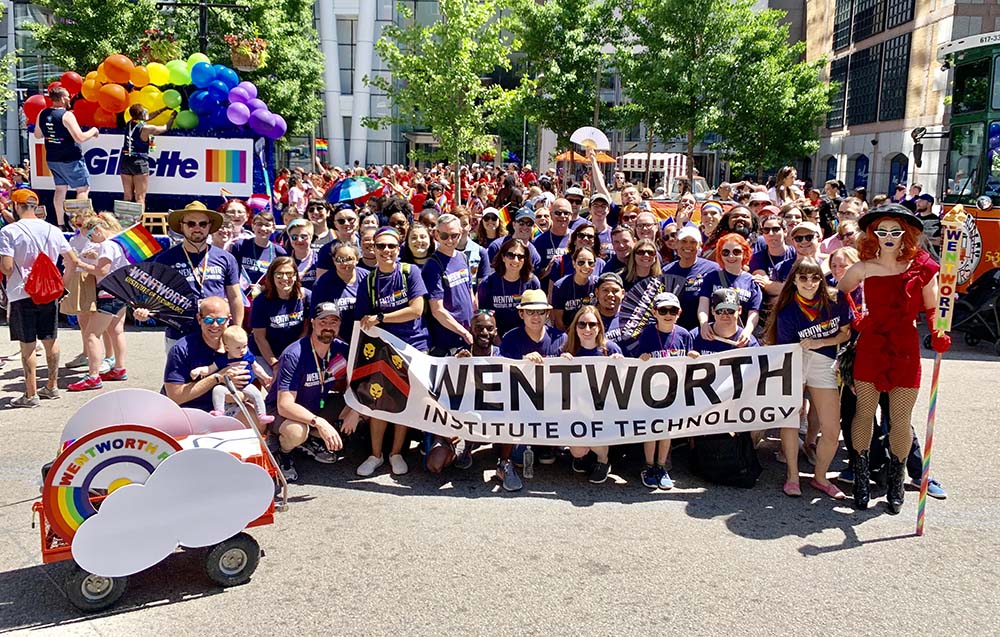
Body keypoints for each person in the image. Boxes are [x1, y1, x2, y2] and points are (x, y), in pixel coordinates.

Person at [838, 203, 950, 514]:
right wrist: (857, 315)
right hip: (872, 343)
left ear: (906, 235)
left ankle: (897, 479)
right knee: (864, 412)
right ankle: (861, 477)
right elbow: (841, 290)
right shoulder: (863, 267)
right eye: (882, 231)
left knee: (901, 419)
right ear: (873, 234)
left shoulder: (922, 266)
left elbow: (933, 306)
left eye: (895, 231)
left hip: (905, 346)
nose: (888, 237)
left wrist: (939, 332)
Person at [765, 257, 852, 499]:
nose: (809, 282)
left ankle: (820, 477)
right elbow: (787, 349)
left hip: (824, 363)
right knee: (792, 418)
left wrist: (821, 342)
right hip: (796, 361)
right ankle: (792, 475)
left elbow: (845, 333)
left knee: (832, 428)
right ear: (793, 280)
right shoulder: (787, 310)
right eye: (803, 277)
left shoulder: (836, 299)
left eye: (815, 277)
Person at [355, 227, 429, 477]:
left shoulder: (411, 272)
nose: (386, 251)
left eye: (391, 246)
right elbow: (364, 319)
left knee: (403, 401)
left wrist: (382, 317)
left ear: (399, 249)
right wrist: (376, 320)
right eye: (381, 246)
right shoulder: (368, 280)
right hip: (382, 349)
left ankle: (396, 452)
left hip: (412, 346)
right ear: (372, 249)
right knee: (379, 402)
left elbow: (417, 309)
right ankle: (375, 455)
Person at [0, 189, 81, 407]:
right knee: (50, 339)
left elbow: (7, 268)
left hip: (21, 292)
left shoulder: (9, 231)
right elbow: (73, 260)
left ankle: (30, 394)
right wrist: (62, 283)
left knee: (27, 344)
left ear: (16, 207)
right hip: (49, 292)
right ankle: (52, 386)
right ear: (35, 206)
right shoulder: (53, 230)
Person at [139, 202, 242, 351]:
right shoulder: (166, 259)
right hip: (178, 333)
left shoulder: (226, 258)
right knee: (179, 375)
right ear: (182, 226)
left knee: (219, 373)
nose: (197, 228)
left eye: (203, 224)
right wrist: (144, 311)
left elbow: (235, 297)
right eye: (191, 224)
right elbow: (152, 295)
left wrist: (236, 329)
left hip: (217, 332)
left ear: (209, 226)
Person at [266, 302, 352, 482]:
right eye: (323, 322)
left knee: (356, 407)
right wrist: (319, 423)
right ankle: (284, 453)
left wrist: (356, 412)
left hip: (316, 404)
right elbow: (284, 405)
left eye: (333, 322)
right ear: (312, 322)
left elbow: (362, 379)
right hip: (283, 412)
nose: (328, 327)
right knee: (297, 431)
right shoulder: (294, 354)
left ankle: (310, 440)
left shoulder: (341, 349)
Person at [631, 292, 697, 489]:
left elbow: (690, 362)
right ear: (654, 312)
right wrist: (642, 358)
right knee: (652, 430)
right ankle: (649, 466)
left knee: (666, 431)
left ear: (679, 313)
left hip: (674, 392)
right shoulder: (649, 333)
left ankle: (661, 466)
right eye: (663, 310)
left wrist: (694, 356)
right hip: (651, 391)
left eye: (673, 310)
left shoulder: (684, 334)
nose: (668, 314)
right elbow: (640, 359)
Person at [498, 289, 567, 466]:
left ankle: (547, 445)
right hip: (522, 403)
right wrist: (522, 361)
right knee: (519, 460)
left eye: (540, 312)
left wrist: (568, 361)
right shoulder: (510, 338)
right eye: (530, 312)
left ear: (547, 314)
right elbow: (501, 371)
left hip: (553, 402)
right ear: (521, 314)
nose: (536, 317)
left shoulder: (561, 338)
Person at [163, 296, 255, 422]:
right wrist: (217, 378)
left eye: (220, 320)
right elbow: (175, 396)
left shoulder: (238, 346)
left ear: (229, 319)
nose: (215, 325)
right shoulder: (181, 349)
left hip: (224, 406)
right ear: (199, 319)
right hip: (188, 409)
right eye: (208, 320)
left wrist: (239, 396)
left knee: (257, 421)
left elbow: (249, 386)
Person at [67, 215, 130, 391]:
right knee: (116, 331)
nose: (90, 240)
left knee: (91, 334)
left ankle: (93, 376)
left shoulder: (107, 245)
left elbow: (102, 270)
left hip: (108, 293)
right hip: (122, 292)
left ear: (98, 230)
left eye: (90, 236)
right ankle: (119, 368)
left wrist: (80, 263)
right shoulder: (119, 244)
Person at [561, 305, 623, 484]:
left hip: (605, 410)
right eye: (582, 325)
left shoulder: (610, 349)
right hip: (578, 410)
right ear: (575, 327)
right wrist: (561, 363)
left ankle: (603, 461)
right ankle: (585, 457)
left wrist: (620, 365)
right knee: (577, 450)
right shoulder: (569, 348)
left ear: (599, 327)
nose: (587, 329)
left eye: (591, 325)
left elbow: (627, 384)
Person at [33, 87, 98, 227]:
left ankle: (60, 224)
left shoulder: (42, 113)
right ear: (62, 99)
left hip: (52, 158)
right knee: (82, 189)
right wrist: (93, 131)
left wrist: (53, 134)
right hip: (71, 158)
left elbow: (37, 135)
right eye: (68, 96)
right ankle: (80, 224)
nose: (69, 99)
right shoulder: (67, 115)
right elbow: (79, 137)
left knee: (60, 189)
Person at [190, 325, 273, 422]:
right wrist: (198, 370)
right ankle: (219, 411)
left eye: (245, 346)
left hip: (245, 385)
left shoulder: (247, 356)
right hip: (228, 385)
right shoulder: (223, 359)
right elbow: (210, 369)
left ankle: (261, 415)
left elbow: (256, 367)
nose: (242, 350)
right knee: (217, 390)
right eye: (238, 348)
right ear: (227, 348)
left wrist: (265, 377)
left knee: (257, 394)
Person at [422, 213, 476, 355]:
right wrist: (463, 332)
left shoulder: (463, 257)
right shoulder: (432, 266)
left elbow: (470, 292)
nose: (449, 240)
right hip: (447, 342)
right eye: (444, 236)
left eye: (454, 235)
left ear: (461, 233)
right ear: (437, 235)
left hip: (467, 336)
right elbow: (437, 310)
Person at [696, 232, 761, 346]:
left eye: (736, 252)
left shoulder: (752, 282)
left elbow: (754, 312)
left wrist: (747, 331)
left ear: (744, 253)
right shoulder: (711, 277)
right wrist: (703, 324)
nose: (731, 256)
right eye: (726, 252)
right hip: (714, 334)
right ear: (720, 255)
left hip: (738, 337)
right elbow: (703, 305)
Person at [251, 256, 312, 372]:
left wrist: (293, 355)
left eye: (289, 274)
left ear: (295, 275)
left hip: (294, 352)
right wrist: (275, 364)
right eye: (279, 274)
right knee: (274, 385)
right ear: (272, 277)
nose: (284, 278)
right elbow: (260, 338)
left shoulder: (306, 297)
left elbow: (306, 330)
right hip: (265, 354)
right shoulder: (261, 302)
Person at [477, 238, 541, 337]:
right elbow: (484, 314)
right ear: (503, 257)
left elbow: (537, 314)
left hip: (525, 336)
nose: (516, 260)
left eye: (520, 257)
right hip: (496, 337)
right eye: (511, 255)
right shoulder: (488, 283)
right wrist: (496, 338)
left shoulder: (532, 282)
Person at [663, 227, 720, 331]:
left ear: (700, 245)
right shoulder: (666, 271)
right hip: (676, 331)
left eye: (693, 242)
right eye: (683, 241)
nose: (688, 245)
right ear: (676, 243)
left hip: (705, 331)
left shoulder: (713, 269)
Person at [119, 103, 177, 205]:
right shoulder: (147, 129)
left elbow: (147, 117)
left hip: (126, 161)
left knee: (127, 196)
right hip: (139, 162)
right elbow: (165, 128)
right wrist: (172, 117)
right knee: (140, 197)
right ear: (141, 114)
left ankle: (125, 220)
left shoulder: (129, 123)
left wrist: (162, 109)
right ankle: (140, 221)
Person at [230, 211, 286, 299]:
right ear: (253, 226)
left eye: (267, 225)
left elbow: (281, 278)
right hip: (241, 296)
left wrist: (264, 288)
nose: (263, 228)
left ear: (273, 228)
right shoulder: (240, 245)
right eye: (259, 224)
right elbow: (232, 272)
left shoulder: (279, 252)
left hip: (266, 297)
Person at [692, 288, 761, 354]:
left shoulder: (749, 342)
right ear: (713, 311)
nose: (725, 315)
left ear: (739, 310)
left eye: (730, 310)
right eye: (720, 311)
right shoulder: (695, 336)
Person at [550, 246, 598, 331]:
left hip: (592, 331)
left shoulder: (597, 284)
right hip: (568, 333)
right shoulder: (561, 286)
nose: (586, 266)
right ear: (573, 263)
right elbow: (559, 321)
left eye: (590, 263)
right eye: (581, 262)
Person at [285, 218, 319, 290]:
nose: (299, 240)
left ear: (311, 237)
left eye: (303, 236)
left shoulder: (319, 259)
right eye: (294, 237)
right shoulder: (284, 260)